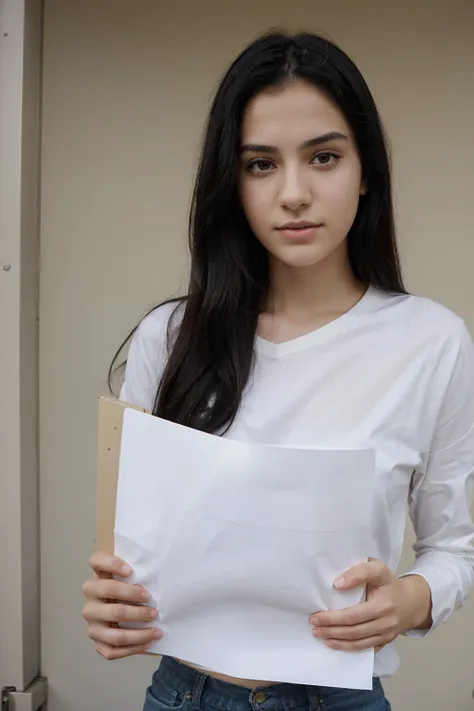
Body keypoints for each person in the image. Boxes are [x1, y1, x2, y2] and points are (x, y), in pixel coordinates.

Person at [82, 30, 474, 711]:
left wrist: (408, 600)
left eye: (323, 156)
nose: (293, 192)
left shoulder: (431, 341)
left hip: (343, 696)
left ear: (366, 171)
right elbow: (131, 562)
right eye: (261, 165)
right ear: (231, 183)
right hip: (186, 694)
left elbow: (457, 548)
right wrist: (111, 603)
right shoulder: (167, 338)